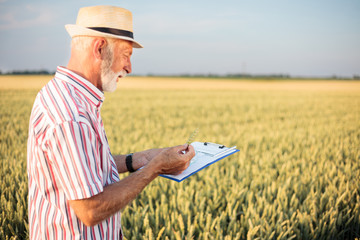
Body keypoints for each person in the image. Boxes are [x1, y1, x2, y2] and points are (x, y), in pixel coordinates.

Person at [27, 5, 195, 239]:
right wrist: (156, 168)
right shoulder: (70, 115)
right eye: (126, 55)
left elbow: (83, 170)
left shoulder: (68, 97)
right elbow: (90, 210)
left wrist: (139, 160)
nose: (129, 67)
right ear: (100, 48)